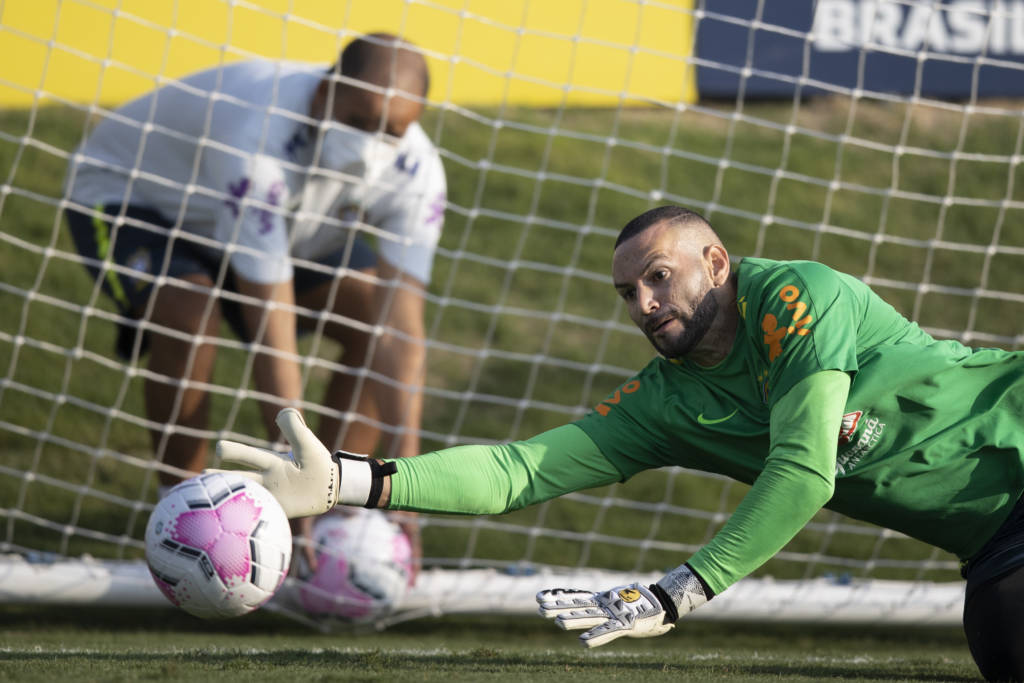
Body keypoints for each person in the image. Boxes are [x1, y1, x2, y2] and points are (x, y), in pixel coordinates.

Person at [209, 205, 1024, 681]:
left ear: (716, 261)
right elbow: (516, 471)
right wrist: (345, 480)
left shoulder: (796, 296)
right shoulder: (665, 401)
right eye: (628, 292)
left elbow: (804, 469)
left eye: (659, 276)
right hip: (997, 540)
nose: (643, 303)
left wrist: (676, 592)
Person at [63, 33, 446, 574]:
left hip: (283, 223)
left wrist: (405, 484)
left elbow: (401, 331)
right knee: (189, 314)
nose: (373, 143)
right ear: (324, 93)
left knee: (369, 315)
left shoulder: (418, 172)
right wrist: (294, 468)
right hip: (139, 198)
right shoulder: (257, 134)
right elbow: (272, 326)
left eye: (392, 131)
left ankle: (336, 512)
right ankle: (185, 524)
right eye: (360, 122)